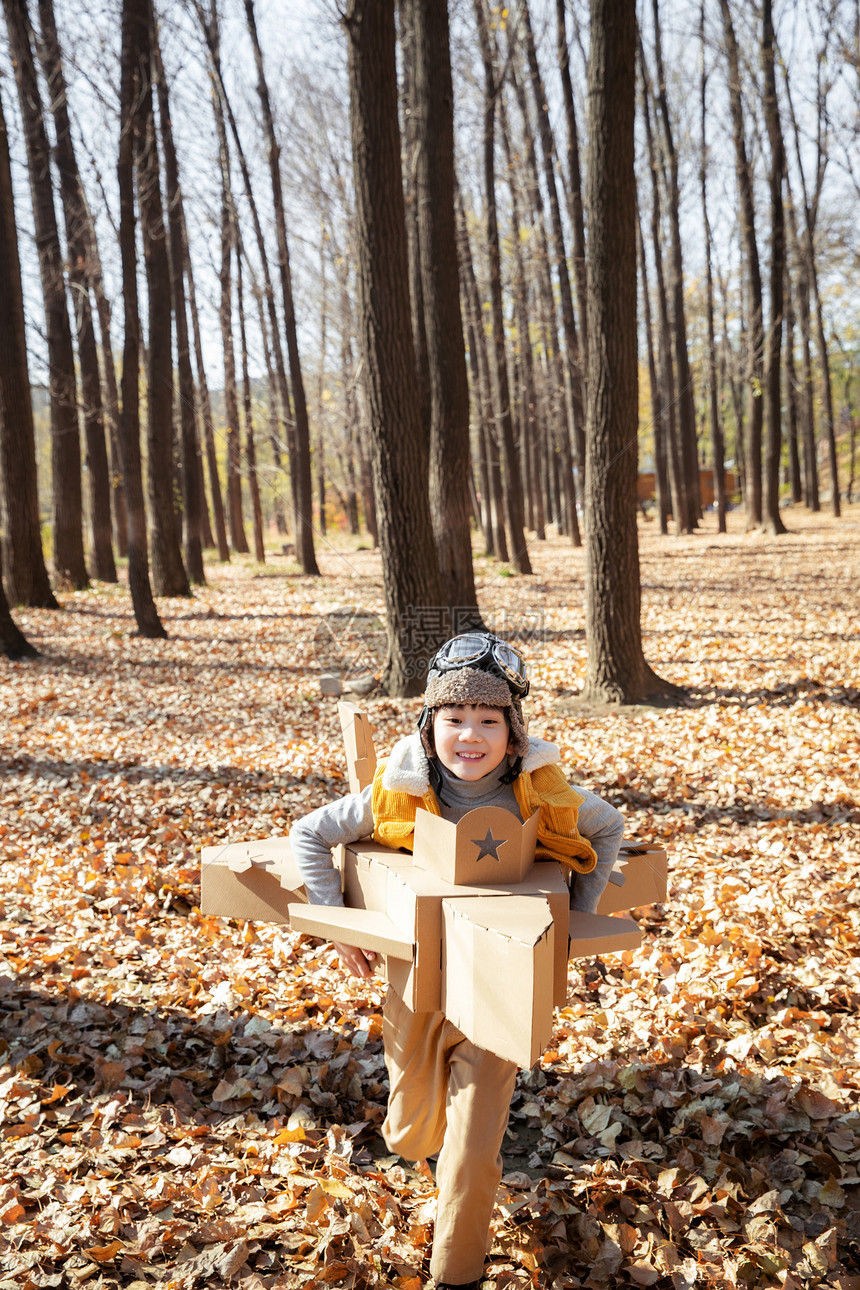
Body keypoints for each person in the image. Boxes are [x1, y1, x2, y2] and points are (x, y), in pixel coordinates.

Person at [290, 632, 624, 1290]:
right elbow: (311, 833)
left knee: (474, 1147)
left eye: (488, 722)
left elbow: (607, 827)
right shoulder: (398, 791)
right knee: (414, 1133)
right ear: (429, 725)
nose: (470, 736)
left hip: (498, 988)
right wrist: (342, 928)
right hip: (417, 988)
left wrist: (570, 925)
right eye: (454, 720)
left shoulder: (541, 792)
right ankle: (415, 1139)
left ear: (513, 732)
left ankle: (456, 1273)